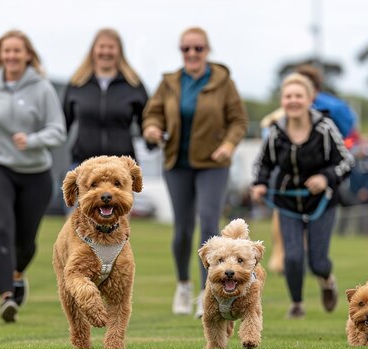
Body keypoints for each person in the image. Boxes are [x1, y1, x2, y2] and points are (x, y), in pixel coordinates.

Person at [142, 27, 248, 318]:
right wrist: (151, 128)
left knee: (209, 223)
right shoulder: (170, 83)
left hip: (213, 164)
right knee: (183, 230)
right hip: (177, 163)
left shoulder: (223, 81)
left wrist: (228, 144)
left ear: (207, 51)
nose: (192, 54)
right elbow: (152, 114)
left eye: (198, 48)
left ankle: (209, 293)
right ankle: (183, 285)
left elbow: (238, 120)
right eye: (186, 49)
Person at [0, 29, 66, 323]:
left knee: (26, 241)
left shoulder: (42, 89)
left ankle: (18, 273)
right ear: (0, 55)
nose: (11, 56)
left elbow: (58, 130)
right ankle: (6, 297)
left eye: (17, 51)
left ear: (27, 56)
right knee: (2, 230)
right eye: (6, 51)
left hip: (35, 173)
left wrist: (33, 139)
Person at [250, 73, 354, 319]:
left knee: (317, 261)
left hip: (322, 201)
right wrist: (259, 184)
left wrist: (325, 178)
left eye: (299, 96)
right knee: (293, 258)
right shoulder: (276, 131)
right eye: (288, 96)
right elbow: (262, 164)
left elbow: (346, 161)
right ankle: (297, 304)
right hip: (288, 201)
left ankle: (327, 281)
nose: (293, 101)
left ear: (310, 99)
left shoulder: (325, 127)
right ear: (282, 100)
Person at [63, 28, 148, 167]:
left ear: (119, 51)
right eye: (102, 47)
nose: (106, 52)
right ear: (93, 50)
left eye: (111, 47)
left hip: (122, 167)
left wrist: (153, 137)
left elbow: (147, 120)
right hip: (83, 165)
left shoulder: (133, 84)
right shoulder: (77, 84)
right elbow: (62, 123)